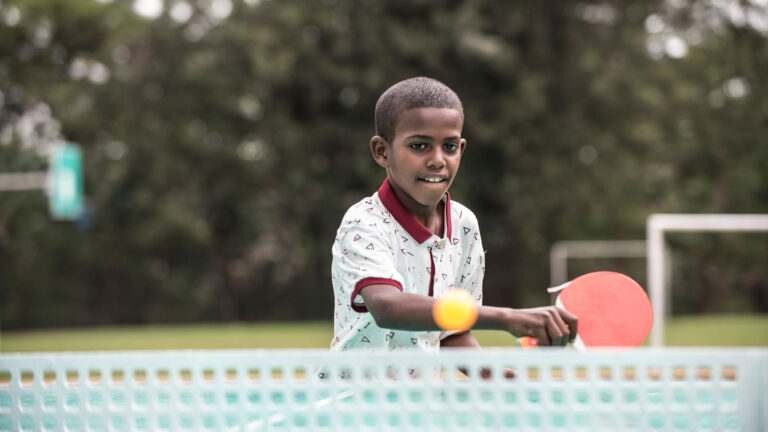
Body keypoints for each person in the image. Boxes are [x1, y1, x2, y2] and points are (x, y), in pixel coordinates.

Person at [330, 77, 576, 354]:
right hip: (356, 396)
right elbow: (388, 307)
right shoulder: (363, 223)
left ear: (461, 149)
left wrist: (494, 377)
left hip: (426, 398)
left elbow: (451, 333)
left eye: (449, 147)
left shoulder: (464, 225)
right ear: (381, 151)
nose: (437, 160)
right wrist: (509, 317)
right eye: (419, 146)